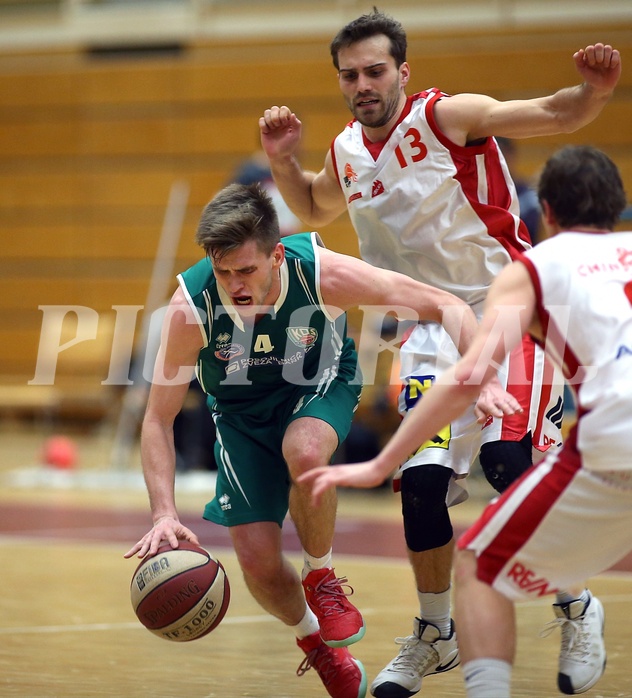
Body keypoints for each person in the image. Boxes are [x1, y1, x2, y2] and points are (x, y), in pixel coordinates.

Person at [259, 10, 621, 696]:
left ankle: (576, 603)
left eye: (374, 70)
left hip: (510, 311)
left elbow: (551, 112)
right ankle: (436, 633)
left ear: (403, 70)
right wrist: (283, 158)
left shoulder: (448, 117)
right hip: (428, 331)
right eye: (349, 75)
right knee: (421, 488)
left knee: (506, 459)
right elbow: (314, 208)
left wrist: (594, 92)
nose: (362, 84)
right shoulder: (346, 150)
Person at [123, 182, 508, 698]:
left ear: (276, 256)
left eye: (246, 270)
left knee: (304, 451)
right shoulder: (190, 308)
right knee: (258, 563)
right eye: (223, 272)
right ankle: (317, 645)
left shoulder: (323, 273)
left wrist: (482, 378)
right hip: (238, 413)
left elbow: (445, 305)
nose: (234, 285)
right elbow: (157, 419)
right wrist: (164, 513)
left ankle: (321, 577)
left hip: (318, 382)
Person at [496, 137, 542, 244]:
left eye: (503, 154)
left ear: (512, 155)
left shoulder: (531, 197)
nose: (499, 161)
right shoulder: (479, 197)